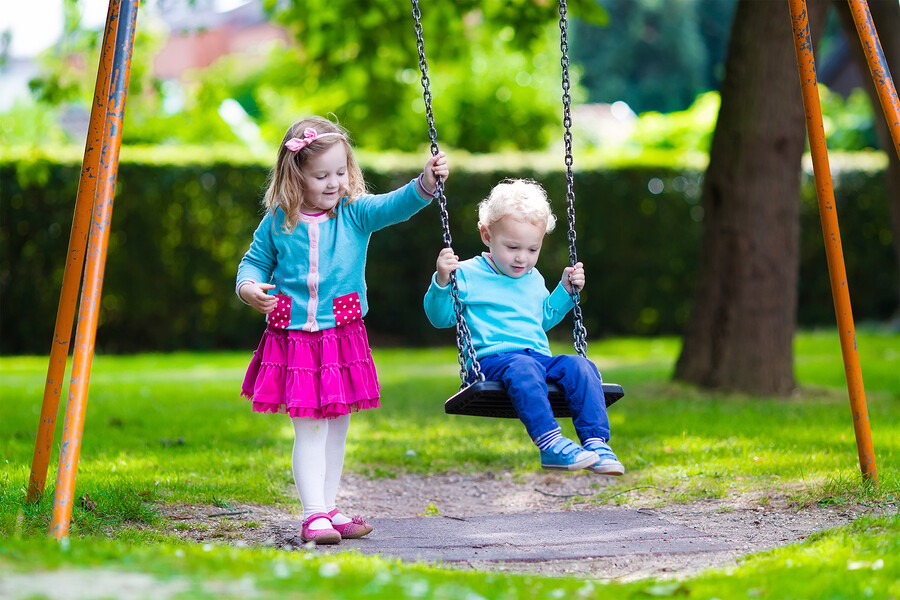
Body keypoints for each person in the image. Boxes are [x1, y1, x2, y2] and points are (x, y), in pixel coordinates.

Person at [237, 115, 449, 544]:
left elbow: (395, 204)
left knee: (337, 425)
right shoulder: (279, 221)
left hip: (340, 335)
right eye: (321, 176)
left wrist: (425, 184)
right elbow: (254, 262)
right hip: (294, 338)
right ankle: (313, 514)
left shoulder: (354, 214)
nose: (333, 183)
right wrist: (248, 288)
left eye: (340, 172)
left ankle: (329, 508)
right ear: (295, 175)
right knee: (310, 426)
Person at [423, 179, 623, 475]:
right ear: (486, 235)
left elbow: (543, 318)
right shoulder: (465, 274)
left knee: (580, 366)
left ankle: (596, 442)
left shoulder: (533, 278)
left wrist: (565, 291)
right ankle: (551, 443)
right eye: (512, 247)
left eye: (533, 249)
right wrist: (441, 281)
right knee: (523, 367)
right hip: (493, 360)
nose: (522, 258)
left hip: (536, 357)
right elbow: (440, 318)